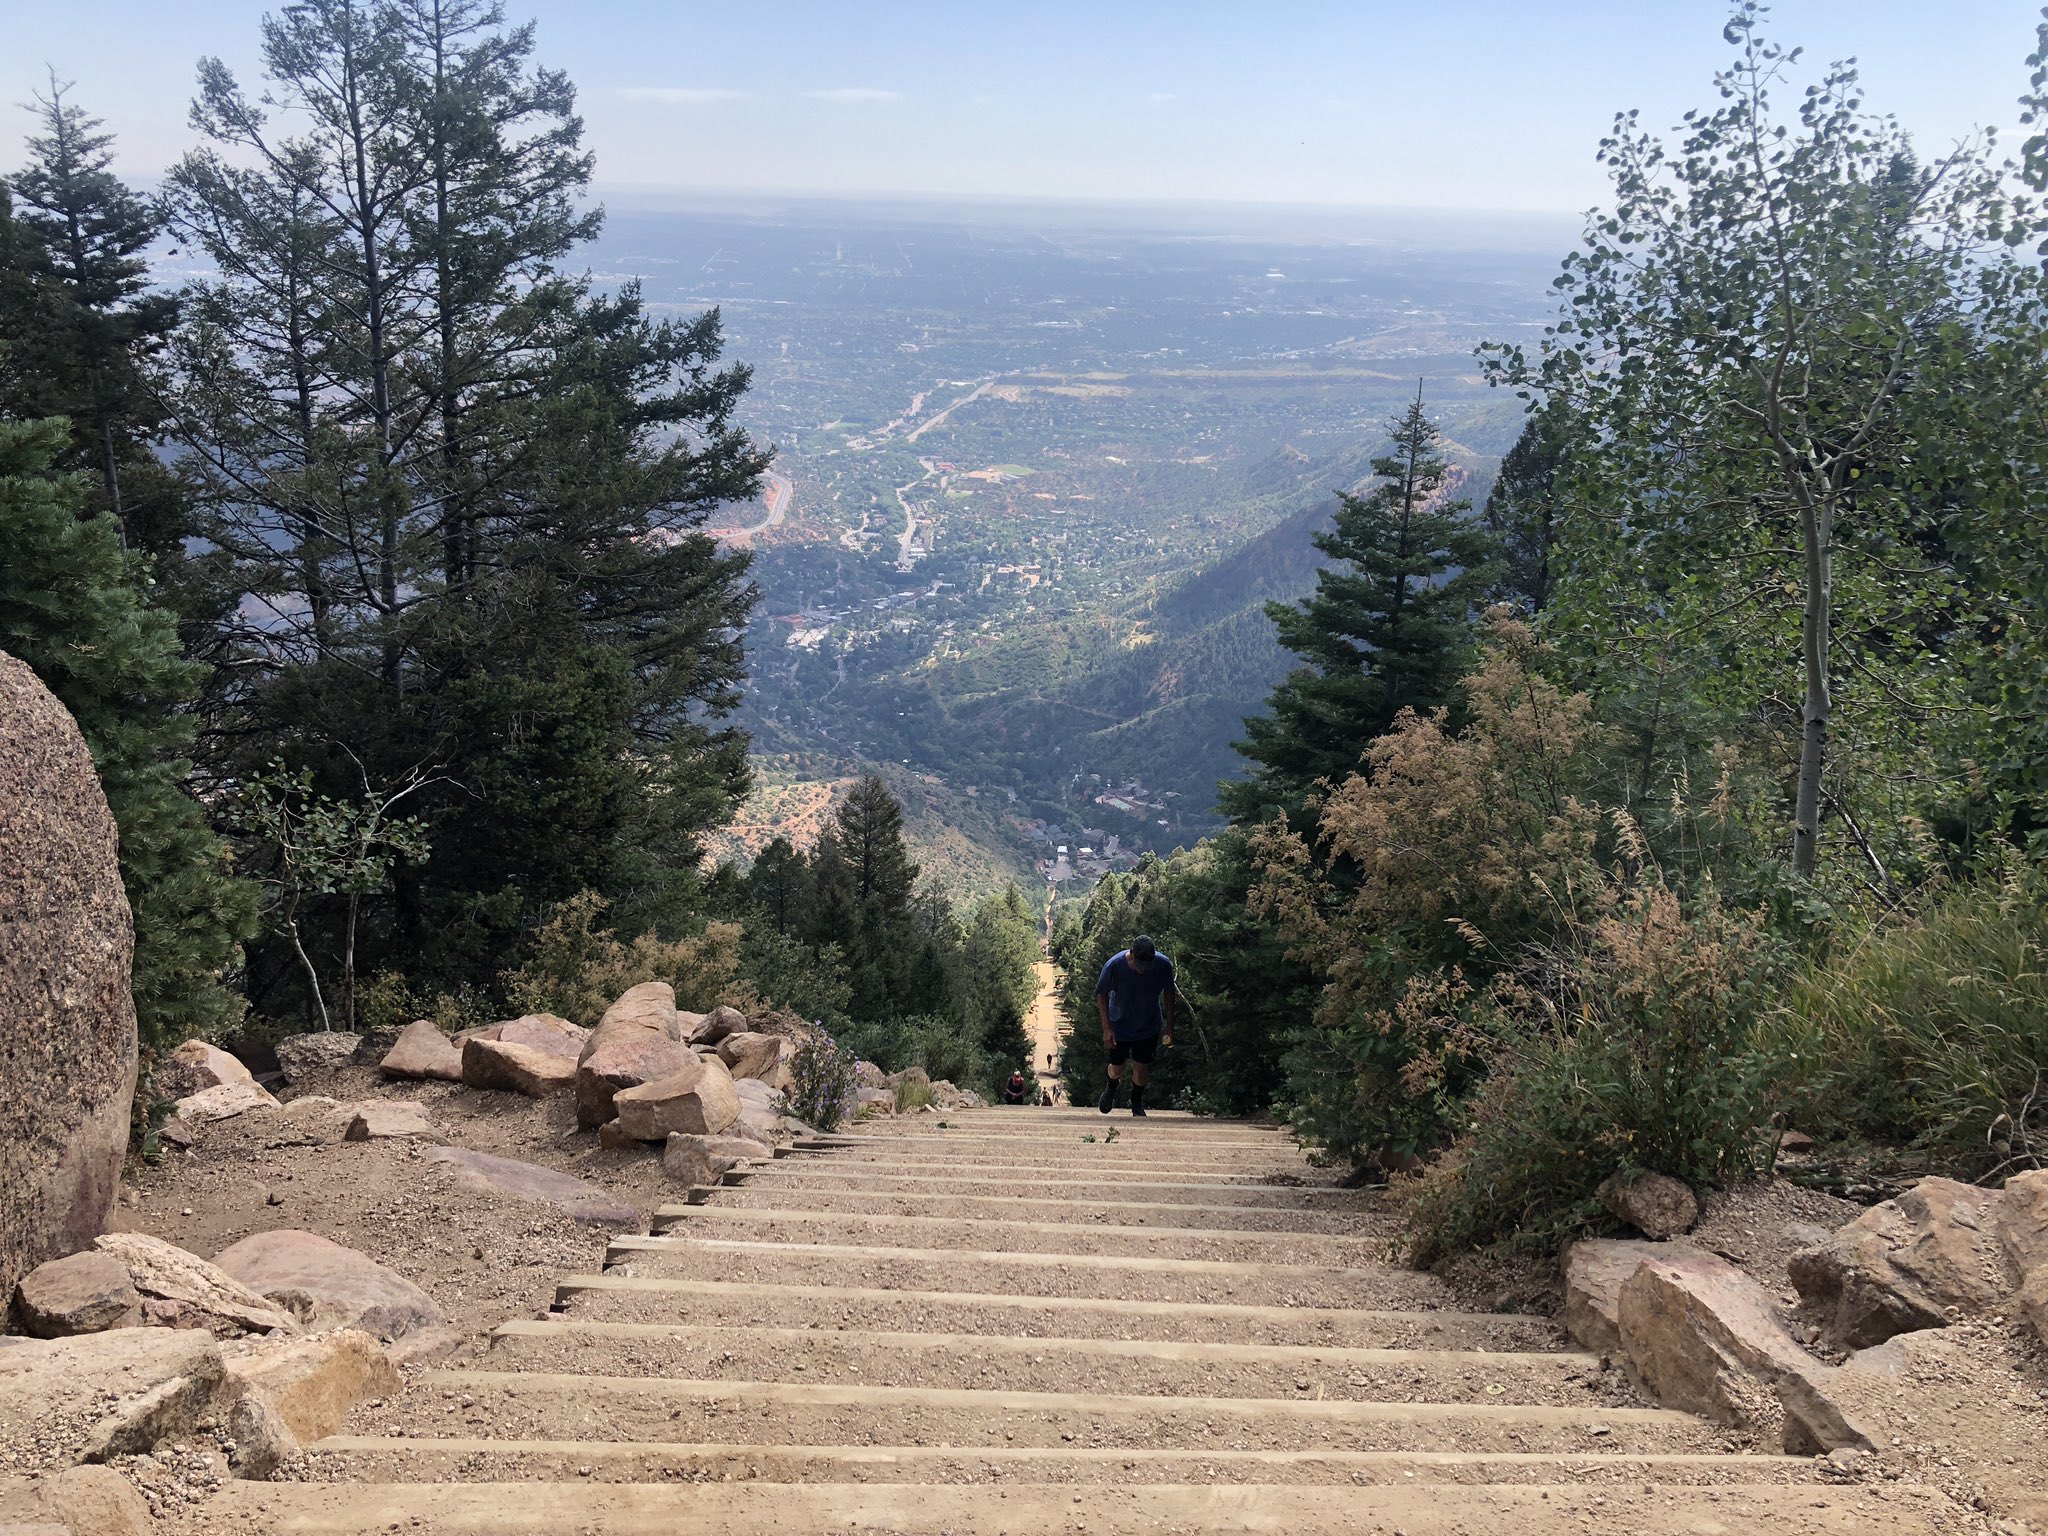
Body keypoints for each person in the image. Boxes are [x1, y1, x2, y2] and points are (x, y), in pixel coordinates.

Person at [1093, 934, 1173, 1116]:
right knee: (1117, 1068)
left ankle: (1136, 1101)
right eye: (1139, 966)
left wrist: (1170, 1026)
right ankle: (1111, 1086)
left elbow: (1169, 992)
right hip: (1119, 1024)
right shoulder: (1114, 965)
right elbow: (1102, 994)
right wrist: (1106, 1029)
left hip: (1148, 1025)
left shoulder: (1163, 965)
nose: (1142, 970)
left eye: (1147, 966)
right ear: (1131, 954)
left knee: (1141, 1068)